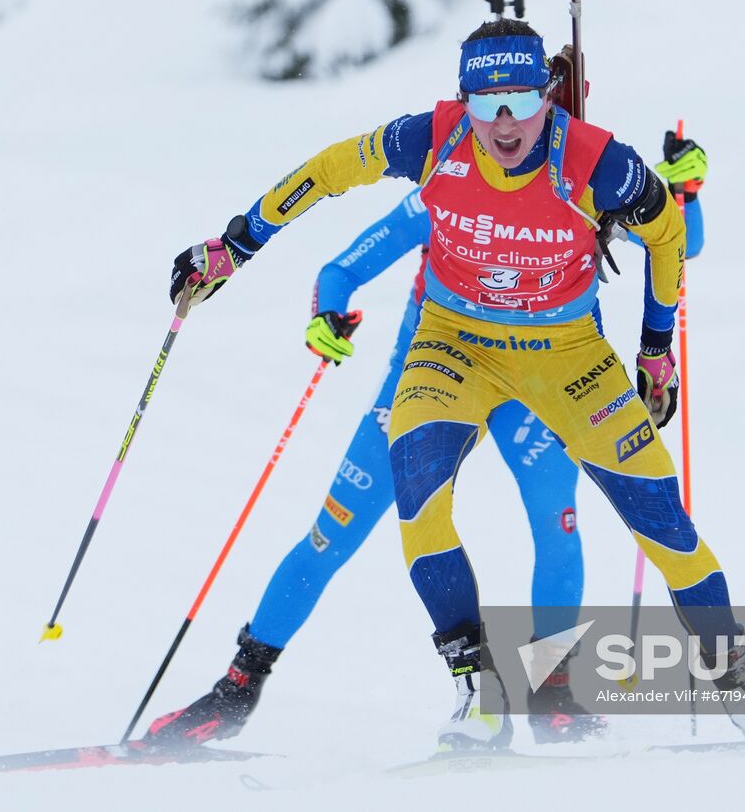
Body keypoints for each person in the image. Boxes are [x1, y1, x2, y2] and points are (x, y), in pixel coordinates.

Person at [162, 17, 745, 751]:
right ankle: (476, 691)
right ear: (461, 102)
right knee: (416, 493)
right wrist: (238, 243)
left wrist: (656, 347)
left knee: (660, 518)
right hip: (454, 344)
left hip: (566, 352)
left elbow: (669, 236)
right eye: (484, 104)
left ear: (548, 97)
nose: (503, 123)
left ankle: (727, 688)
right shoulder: (434, 142)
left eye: (520, 101)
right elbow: (331, 170)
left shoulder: (598, 163)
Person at [145, 188, 612, 748]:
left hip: (527, 388)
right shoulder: (444, 189)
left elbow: (675, 235)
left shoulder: (576, 185)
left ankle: (553, 690)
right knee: (330, 536)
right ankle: (238, 689)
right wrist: (327, 316)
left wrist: (685, 188)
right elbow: (341, 269)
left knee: (555, 524)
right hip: (425, 383)